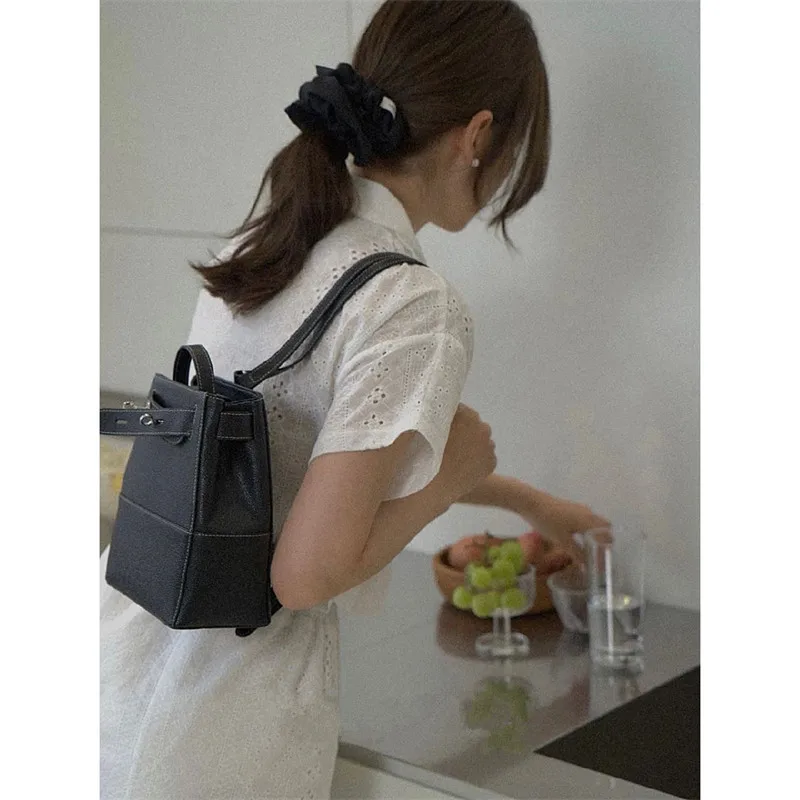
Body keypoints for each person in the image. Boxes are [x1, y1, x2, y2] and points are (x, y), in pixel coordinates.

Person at [99, 1, 607, 798]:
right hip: (213, 734)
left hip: (116, 675)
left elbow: (300, 461)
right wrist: (446, 482)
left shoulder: (272, 237)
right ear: (478, 135)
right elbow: (304, 575)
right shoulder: (413, 304)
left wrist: (530, 504)